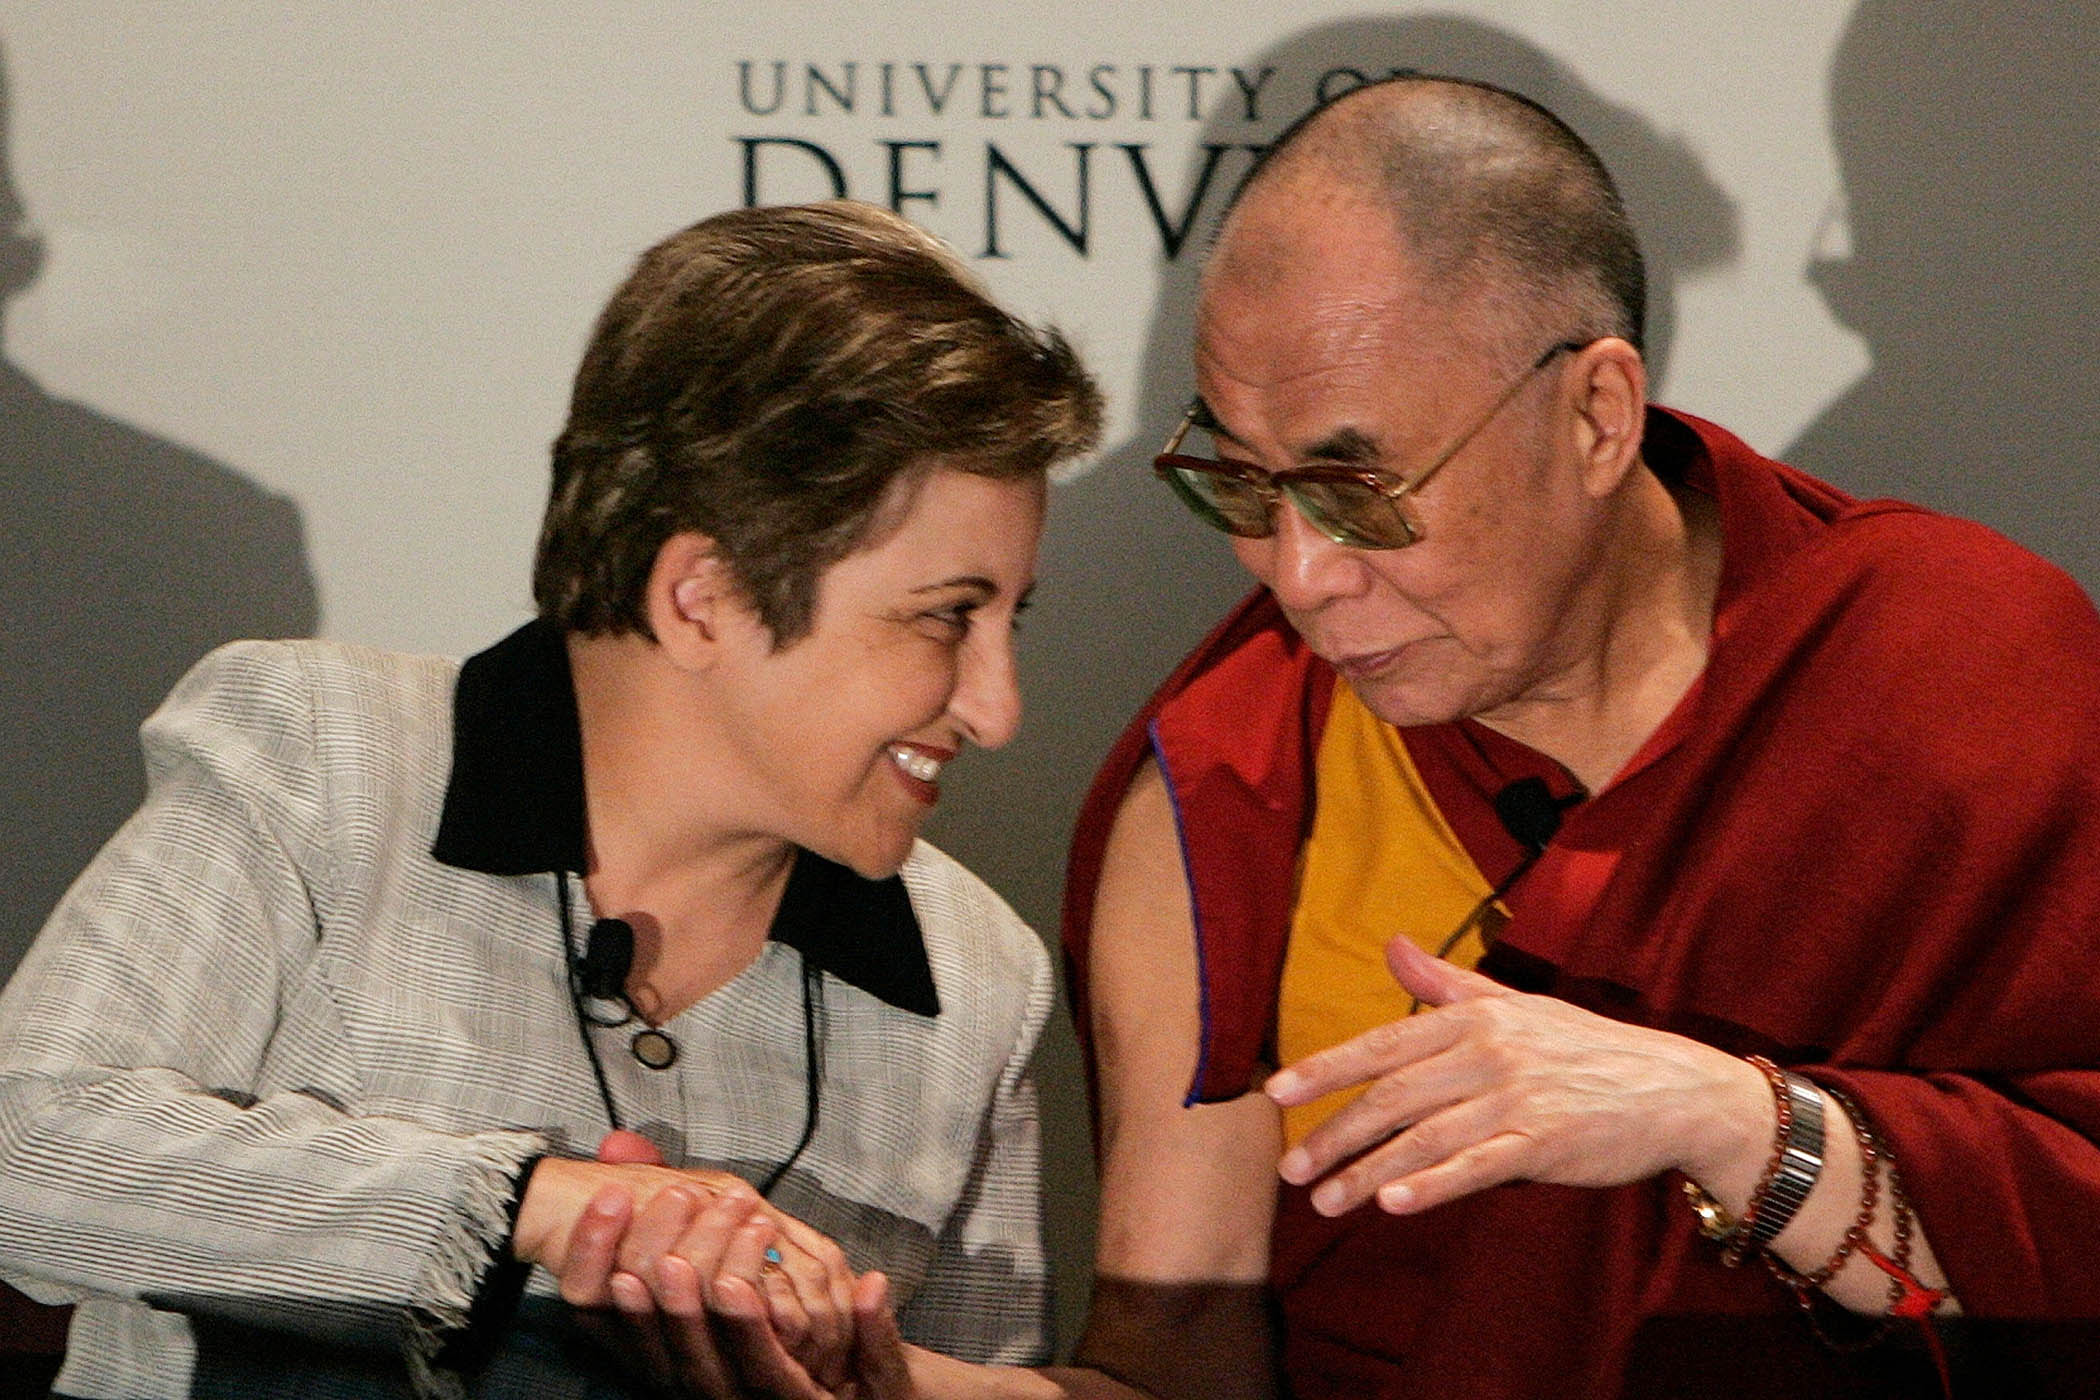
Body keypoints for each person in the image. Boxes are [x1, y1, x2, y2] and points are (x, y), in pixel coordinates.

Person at [604, 75, 2100, 1400]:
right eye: (1241, 487)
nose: (1299, 576)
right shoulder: (1235, 786)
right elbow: (1181, 1372)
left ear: (1596, 414)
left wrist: (1729, 1119)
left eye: (1359, 489)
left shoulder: (1957, 666)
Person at [0, 199, 1101, 1398]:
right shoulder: (322, 761)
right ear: (702, 596)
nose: (998, 708)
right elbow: (28, 1146)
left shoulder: (976, 974)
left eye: (1011, 620)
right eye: (948, 615)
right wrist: (537, 1207)